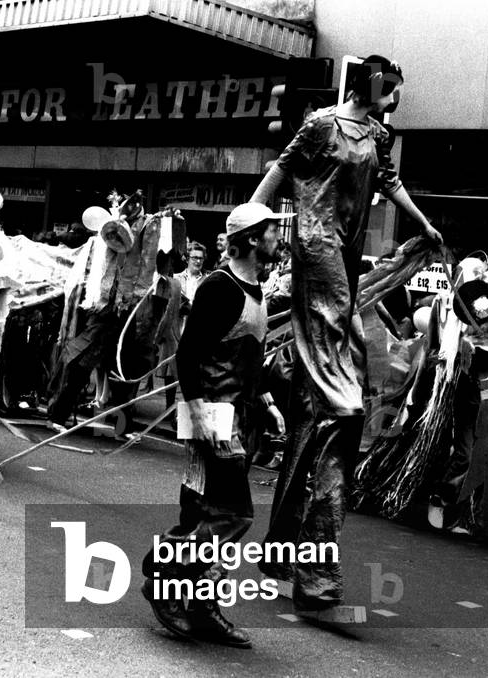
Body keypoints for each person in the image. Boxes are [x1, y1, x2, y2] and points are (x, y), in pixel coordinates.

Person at [251, 54, 442, 611]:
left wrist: (422, 222)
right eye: (392, 89)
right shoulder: (321, 125)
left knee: (314, 415)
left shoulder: (377, 136)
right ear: (373, 84)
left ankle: (283, 552)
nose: (397, 99)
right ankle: (343, 391)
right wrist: (249, 219)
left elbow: (390, 183)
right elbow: (281, 169)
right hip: (316, 244)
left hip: (347, 249)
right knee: (343, 404)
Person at [141, 203, 287, 647]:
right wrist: (200, 409)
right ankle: (162, 572)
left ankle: (203, 607)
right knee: (235, 514)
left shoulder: (256, 287)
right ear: (250, 240)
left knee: (203, 510)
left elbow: (249, 357)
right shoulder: (219, 288)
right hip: (212, 415)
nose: (277, 240)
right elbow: (188, 354)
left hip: (237, 415)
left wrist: (266, 399)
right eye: (271, 233)